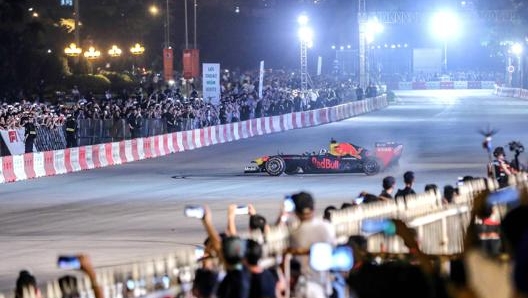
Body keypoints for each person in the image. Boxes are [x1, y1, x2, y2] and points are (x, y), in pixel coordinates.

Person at [289, 191, 336, 298]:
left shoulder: (295, 234)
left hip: (306, 285)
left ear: (296, 212)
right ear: (313, 209)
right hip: (324, 282)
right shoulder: (327, 227)